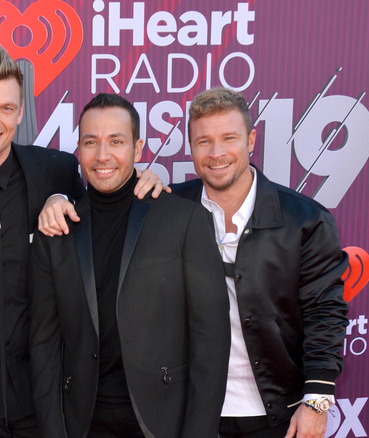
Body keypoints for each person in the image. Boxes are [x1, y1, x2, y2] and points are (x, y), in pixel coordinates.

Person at [39, 87, 350, 438]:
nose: (216, 153)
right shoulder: (170, 203)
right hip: (186, 410)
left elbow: (326, 312)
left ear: (250, 140)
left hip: (275, 410)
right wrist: (58, 196)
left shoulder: (304, 219)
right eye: (204, 142)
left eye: (229, 138)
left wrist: (317, 398)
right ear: (190, 148)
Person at [0, 46, 162, 437]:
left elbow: (108, 208)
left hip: (48, 394)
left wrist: (145, 186)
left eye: (6, 108)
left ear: (21, 112)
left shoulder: (58, 173)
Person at [29, 93, 230, 438]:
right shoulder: (57, 230)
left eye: (116, 142)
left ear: (138, 149)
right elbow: (44, 346)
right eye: (91, 142)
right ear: (78, 149)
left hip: (163, 422)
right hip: (83, 423)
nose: (103, 155)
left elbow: (210, 344)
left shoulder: (183, 220)